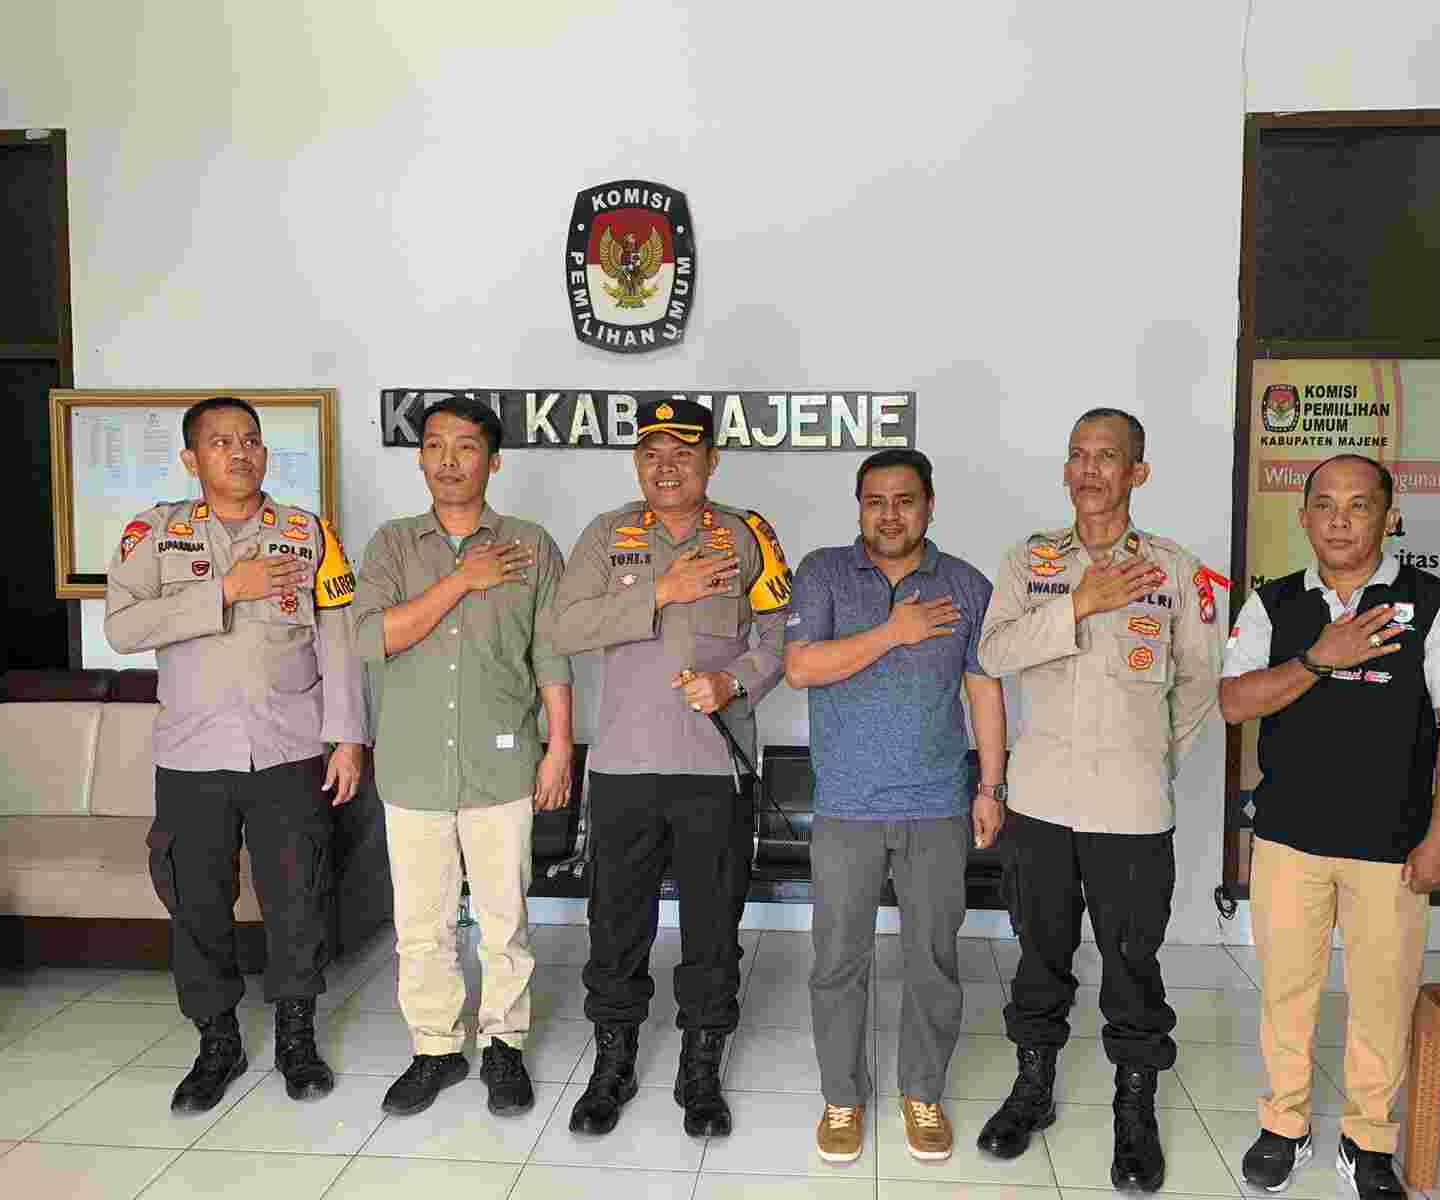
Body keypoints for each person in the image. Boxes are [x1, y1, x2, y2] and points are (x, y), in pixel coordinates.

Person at [1219, 453, 1440, 1199]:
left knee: (1383, 996)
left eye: (1359, 505)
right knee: (1288, 993)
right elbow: (1235, 703)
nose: (1340, 521)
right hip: (1289, 838)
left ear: (1389, 516)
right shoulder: (1273, 604)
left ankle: (1369, 1138)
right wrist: (1318, 658)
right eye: (1326, 505)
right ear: (1304, 516)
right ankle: (1284, 1124)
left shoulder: (1433, 605)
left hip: (1392, 846)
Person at [976, 408, 1223, 1191]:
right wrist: (1077, 604)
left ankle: (1134, 1108)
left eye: (1107, 456)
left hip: (1132, 807)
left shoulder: (1177, 570)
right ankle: (1033, 1090)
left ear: (1137, 473)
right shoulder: (1029, 561)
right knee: (1039, 956)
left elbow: (1200, 683)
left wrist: (1150, 753)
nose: (1088, 470)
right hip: (1041, 801)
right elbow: (993, 651)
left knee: (1131, 964)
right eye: (1078, 455)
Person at [105, 395, 367, 1113]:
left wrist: (348, 738)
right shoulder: (155, 535)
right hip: (193, 755)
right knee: (197, 903)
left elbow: (340, 643)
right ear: (191, 459)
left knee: (299, 898)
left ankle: (296, 1038)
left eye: (250, 440)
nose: (240, 452)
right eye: (221, 442)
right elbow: (122, 628)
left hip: (290, 749)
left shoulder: (307, 533)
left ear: (265, 453)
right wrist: (224, 590)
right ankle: (216, 1041)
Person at [551, 397, 789, 1138]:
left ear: (711, 461)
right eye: (651, 454)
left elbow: (779, 635)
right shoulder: (606, 535)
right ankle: (612, 1065)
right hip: (624, 767)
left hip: (714, 771)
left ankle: (701, 1067)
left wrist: (734, 681)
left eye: (683, 454)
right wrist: (662, 592)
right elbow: (563, 626)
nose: (666, 467)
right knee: (616, 924)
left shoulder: (747, 534)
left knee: (712, 926)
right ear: (636, 463)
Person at [350, 397, 573, 1118]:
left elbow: (551, 653)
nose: (449, 461)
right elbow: (372, 637)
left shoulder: (531, 545)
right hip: (413, 765)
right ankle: (436, 1049)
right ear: (420, 459)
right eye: (435, 446)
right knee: (423, 923)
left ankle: (504, 1044)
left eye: (466, 446)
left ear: (493, 461)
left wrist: (559, 747)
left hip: (501, 763)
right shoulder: (391, 545)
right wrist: (461, 580)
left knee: (505, 918)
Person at [784, 448, 1006, 1165]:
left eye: (905, 500)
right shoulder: (823, 573)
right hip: (846, 805)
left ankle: (923, 1092)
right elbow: (800, 667)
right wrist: (894, 631)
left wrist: (991, 787)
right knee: (837, 961)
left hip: (936, 804)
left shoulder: (966, 585)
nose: (889, 514)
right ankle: (841, 1096)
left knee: (932, 960)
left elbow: (984, 691)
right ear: (859, 508)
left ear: (929, 506)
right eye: (875, 501)